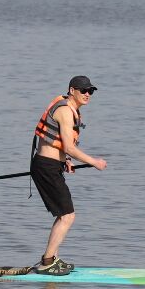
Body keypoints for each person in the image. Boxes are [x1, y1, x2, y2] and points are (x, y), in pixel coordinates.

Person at [29, 75, 108, 275]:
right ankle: (48, 262)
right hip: (46, 167)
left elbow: (58, 147)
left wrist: (64, 161)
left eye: (91, 91)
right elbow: (69, 147)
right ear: (72, 90)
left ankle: (52, 258)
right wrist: (94, 162)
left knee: (64, 214)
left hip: (50, 165)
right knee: (67, 215)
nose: (88, 94)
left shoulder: (71, 109)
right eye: (84, 91)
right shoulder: (65, 111)